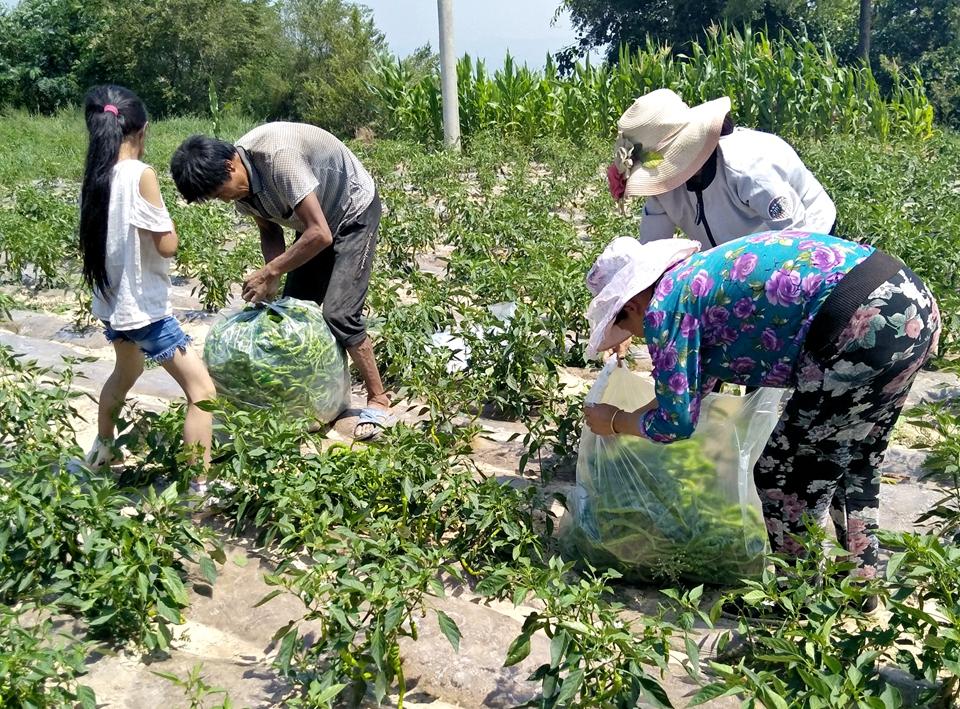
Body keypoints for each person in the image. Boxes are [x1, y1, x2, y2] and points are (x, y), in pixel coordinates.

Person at [582, 232, 940, 609]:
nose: (634, 335)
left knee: (782, 474)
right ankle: (861, 586)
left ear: (633, 304)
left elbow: (676, 423)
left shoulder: (664, 307)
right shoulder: (691, 279)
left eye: (623, 322)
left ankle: (797, 600)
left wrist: (617, 421)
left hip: (859, 326)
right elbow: (688, 392)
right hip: (909, 305)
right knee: (855, 457)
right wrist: (639, 414)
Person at [169, 123, 391, 440]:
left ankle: (378, 400)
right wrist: (272, 279)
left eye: (220, 193)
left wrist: (270, 272)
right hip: (314, 218)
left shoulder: (279, 159)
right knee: (296, 312)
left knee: (340, 314)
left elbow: (321, 234)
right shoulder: (241, 187)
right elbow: (270, 230)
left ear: (231, 166)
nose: (223, 200)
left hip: (352, 210)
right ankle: (308, 403)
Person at [79, 85, 216, 487]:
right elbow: (167, 245)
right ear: (143, 130)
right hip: (143, 309)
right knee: (202, 391)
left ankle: (101, 452)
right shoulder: (141, 174)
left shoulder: (96, 177)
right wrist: (171, 226)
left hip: (113, 303)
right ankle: (198, 486)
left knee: (126, 371)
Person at [606, 89, 836, 251]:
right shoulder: (662, 190)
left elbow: (798, 240)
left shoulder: (748, 168)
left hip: (811, 235)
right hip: (736, 259)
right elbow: (652, 252)